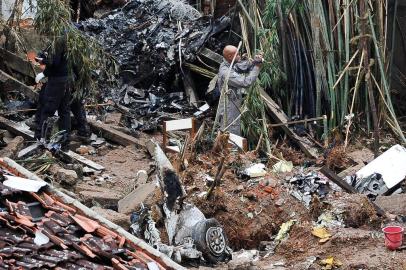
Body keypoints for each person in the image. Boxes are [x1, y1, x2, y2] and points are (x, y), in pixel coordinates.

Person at [34, 34, 71, 150]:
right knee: (64, 111)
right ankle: (65, 143)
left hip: (56, 81)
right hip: (66, 79)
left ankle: (42, 140)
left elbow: (54, 62)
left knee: (48, 110)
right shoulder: (67, 39)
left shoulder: (58, 41)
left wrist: (43, 62)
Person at [216, 45, 263, 135]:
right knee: (231, 131)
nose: (239, 56)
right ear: (230, 56)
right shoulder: (226, 72)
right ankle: (231, 149)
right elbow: (246, 82)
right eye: (237, 54)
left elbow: (241, 67)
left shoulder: (230, 64)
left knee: (234, 128)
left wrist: (254, 61)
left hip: (234, 103)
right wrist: (257, 67)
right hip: (229, 106)